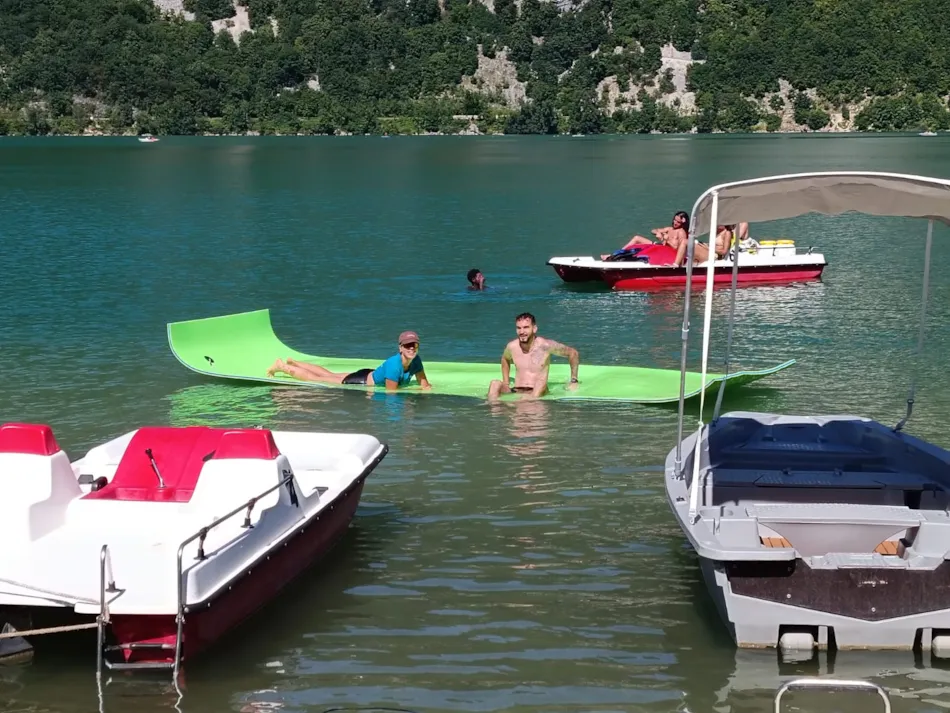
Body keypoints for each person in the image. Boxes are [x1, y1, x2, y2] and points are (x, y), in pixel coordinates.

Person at [266, 331, 432, 392]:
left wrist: (425, 390)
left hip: (368, 374)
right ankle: (282, 367)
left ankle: (294, 362)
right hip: (359, 381)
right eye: (408, 345)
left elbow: (424, 383)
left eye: (415, 345)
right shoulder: (394, 365)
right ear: (400, 348)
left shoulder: (416, 360)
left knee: (329, 374)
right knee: (318, 379)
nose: (412, 348)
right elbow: (391, 393)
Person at [488, 313, 580, 401]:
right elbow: (505, 359)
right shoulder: (512, 346)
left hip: (538, 389)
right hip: (516, 389)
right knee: (494, 384)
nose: (522, 331)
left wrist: (573, 380)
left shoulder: (545, 345)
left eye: (526, 327)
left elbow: (573, 353)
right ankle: (492, 412)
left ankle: (526, 402)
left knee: (539, 382)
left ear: (534, 328)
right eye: (518, 328)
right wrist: (506, 382)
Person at [601, 211, 689, 259]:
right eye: (674, 220)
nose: (675, 223)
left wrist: (665, 239)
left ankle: (616, 256)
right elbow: (654, 230)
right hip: (661, 246)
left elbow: (678, 248)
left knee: (642, 250)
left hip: (668, 252)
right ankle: (615, 254)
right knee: (637, 238)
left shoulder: (681, 232)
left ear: (682, 223)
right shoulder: (669, 229)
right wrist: (658, 233)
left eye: (678, 222)